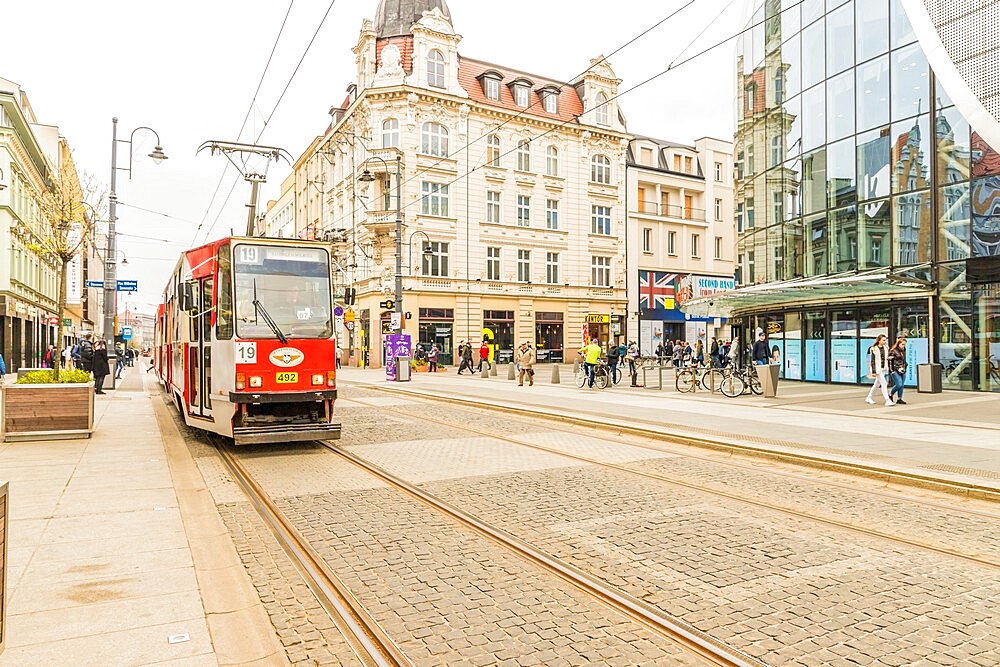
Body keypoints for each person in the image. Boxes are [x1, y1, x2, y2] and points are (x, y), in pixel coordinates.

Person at [866, 334, 894, 406]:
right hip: (877, 369)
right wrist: (874, 371)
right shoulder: (873, 348)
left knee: (876, 384)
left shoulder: (886, 347)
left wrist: (889, 358)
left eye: (885, 340)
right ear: (879, 340)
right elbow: (873, 361)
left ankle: (869, 397)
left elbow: (885, 357)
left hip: (883, 368)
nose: (885, 341)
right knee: (884, 383)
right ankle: (887, 400)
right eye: (883, 340)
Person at [888, 337, 908, 405]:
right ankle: (890, 394)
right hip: (895, 369)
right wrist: (892, 370)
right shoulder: (893, 350)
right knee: (899, 384)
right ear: (898, 344)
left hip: (902, 368)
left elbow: (903, 359)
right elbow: (889, 361)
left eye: (904, 344)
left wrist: (905, 366)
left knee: (902, 385)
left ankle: (899, 398)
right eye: (902, 344)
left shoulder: (903, 350)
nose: (903, 346)